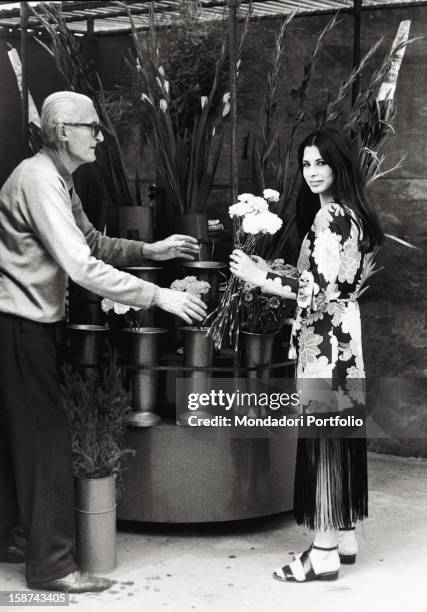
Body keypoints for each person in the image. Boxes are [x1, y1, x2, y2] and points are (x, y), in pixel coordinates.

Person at [0, 91, 207, 593]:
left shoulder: (57, 177)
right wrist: (156, 295)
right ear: (62, 131)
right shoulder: (39, 179)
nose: (99, 135)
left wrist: (148, 248)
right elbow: (81, 265)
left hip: (25, 321)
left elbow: (92, 240)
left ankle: (14, 538)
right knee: (46, 442)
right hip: (18, 323)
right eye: (91, 127)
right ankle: (52, 567)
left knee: (18, 438)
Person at [229, 127, 383, 582]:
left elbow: (316, 288)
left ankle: (323, 551)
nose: (312, 172)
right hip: (344, 339)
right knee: (339, 434)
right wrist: (277, 273)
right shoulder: (351, 215)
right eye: (306, 164)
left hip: (324, 341)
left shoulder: (329, 217)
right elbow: (329, 280)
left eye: (321, 162)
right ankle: (346, 536)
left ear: (339, 165)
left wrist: (259, 276)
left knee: (324, 438)